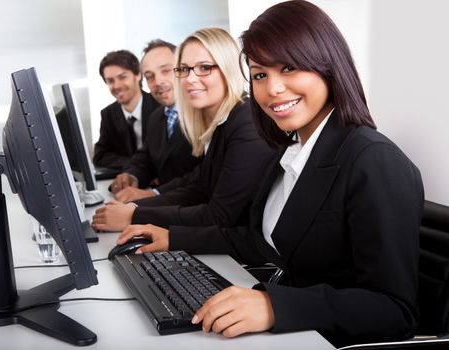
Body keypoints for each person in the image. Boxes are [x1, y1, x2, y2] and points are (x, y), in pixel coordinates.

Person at [114, 1, 424, 347]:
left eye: (289, 67)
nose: (272, 89)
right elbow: (255, 239)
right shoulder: (292, 150)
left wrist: (274, 306)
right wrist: (175, 239)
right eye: (260, 74)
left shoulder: (373, 161)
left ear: (327, 65)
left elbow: (394, 310)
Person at [92, 28, 276, 232]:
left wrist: (134, 215)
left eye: (204, 67)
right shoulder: (216, 121)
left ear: (228, 68)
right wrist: (133, 207)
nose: (189, 79)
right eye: (184, 70)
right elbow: (200, 187)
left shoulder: (245, 122)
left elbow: (220, 215)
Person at [111, 40, 201, 203]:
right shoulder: (157, 116)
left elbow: (201, 175)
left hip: (193, 209)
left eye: (166, 71)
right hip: (167, 209)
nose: (158, 82)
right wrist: (131, 175)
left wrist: (154, 194)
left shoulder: (204, 112)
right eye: (150, 77)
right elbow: (145, 157)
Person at [92, 50, 160, 169]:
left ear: (138, 75)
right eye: (110, 81)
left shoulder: (159, 106)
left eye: (122, 77)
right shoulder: (108, 114)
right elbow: (100, 156)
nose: (116, 86)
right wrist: (137, 165)